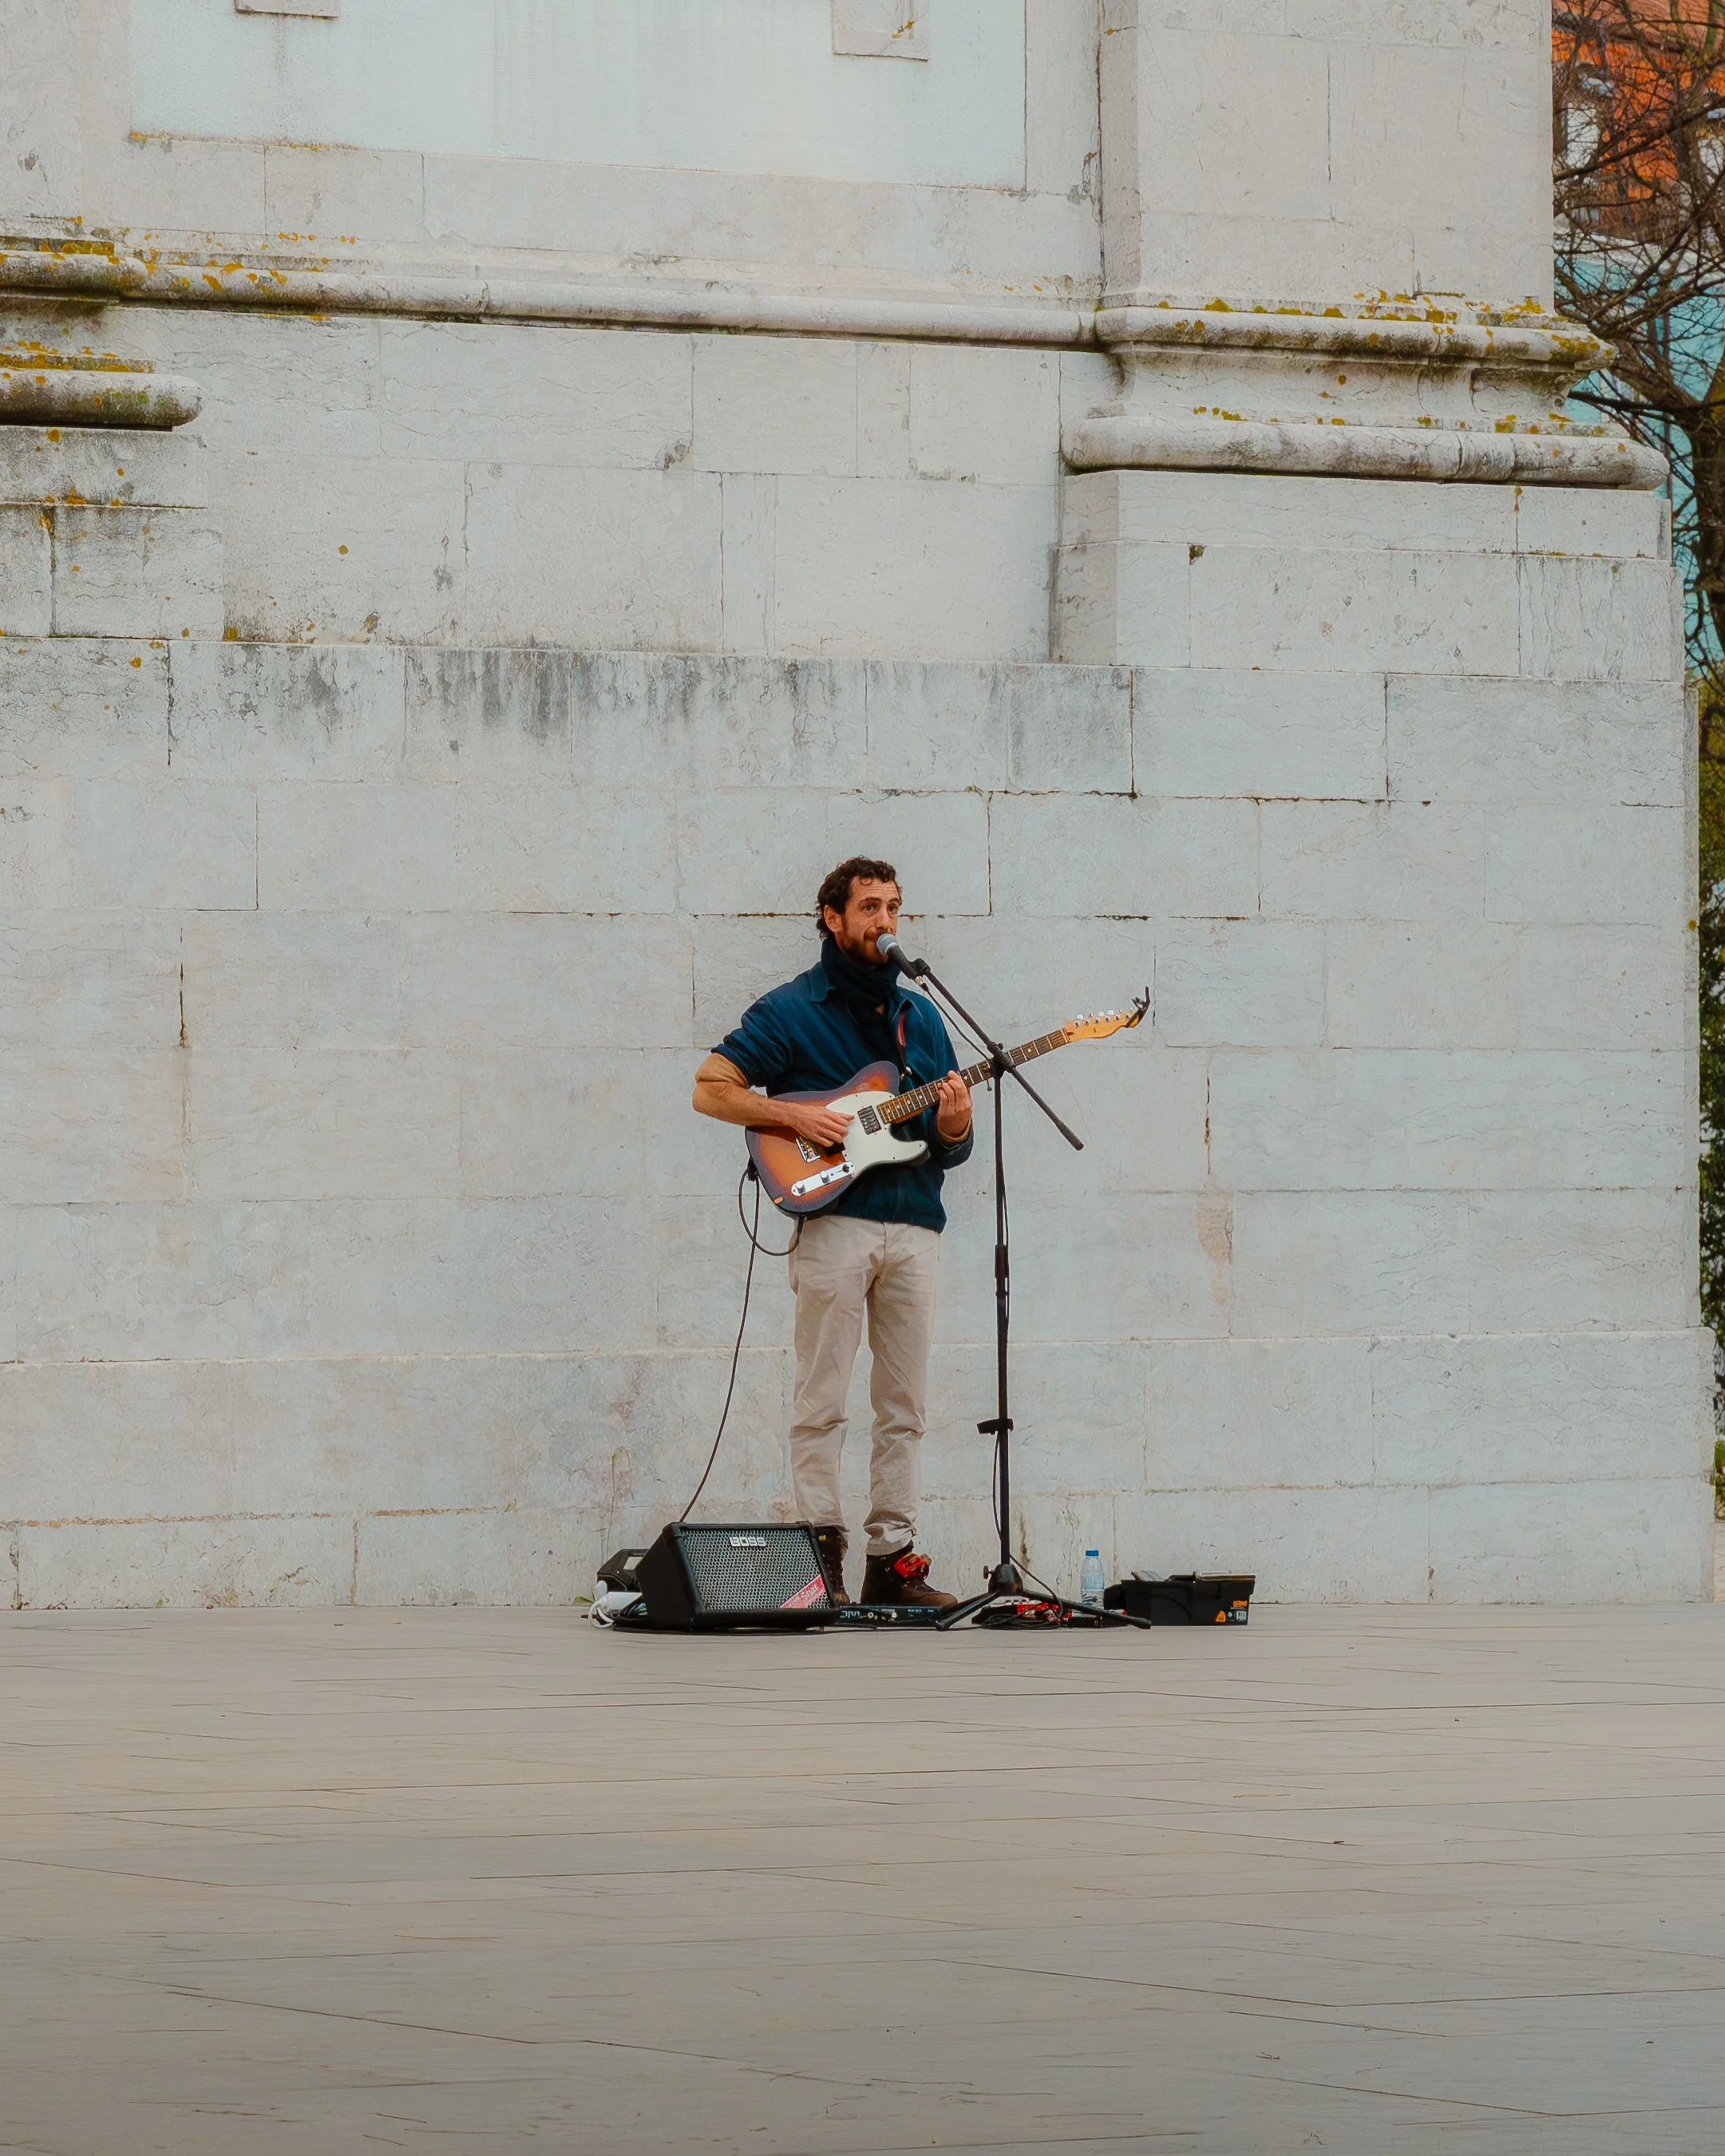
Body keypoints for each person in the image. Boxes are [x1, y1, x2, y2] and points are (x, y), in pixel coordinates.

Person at [691, 857, 973, 1607]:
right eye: (871, 907)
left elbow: (949, 1145)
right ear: (832, 916)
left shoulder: (923, 1016)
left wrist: (954, 1121)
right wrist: (792, 1115)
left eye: (894, 908)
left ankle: (894, 1559)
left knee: (904, 1406)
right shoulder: (791, 1009)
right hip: (834, 1223)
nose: (885, 922)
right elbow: (710, 1087)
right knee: (822, 1400)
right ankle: (822, 1562)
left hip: (915, 1225)